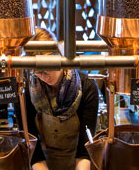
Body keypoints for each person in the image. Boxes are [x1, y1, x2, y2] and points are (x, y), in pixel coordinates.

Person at [23, 27, 98, 170]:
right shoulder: (27, 90)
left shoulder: (86, 87)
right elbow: (31, 147)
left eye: (48, 68)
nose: (44, 76)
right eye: (38, 72)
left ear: (59, 56)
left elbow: (85, 150)